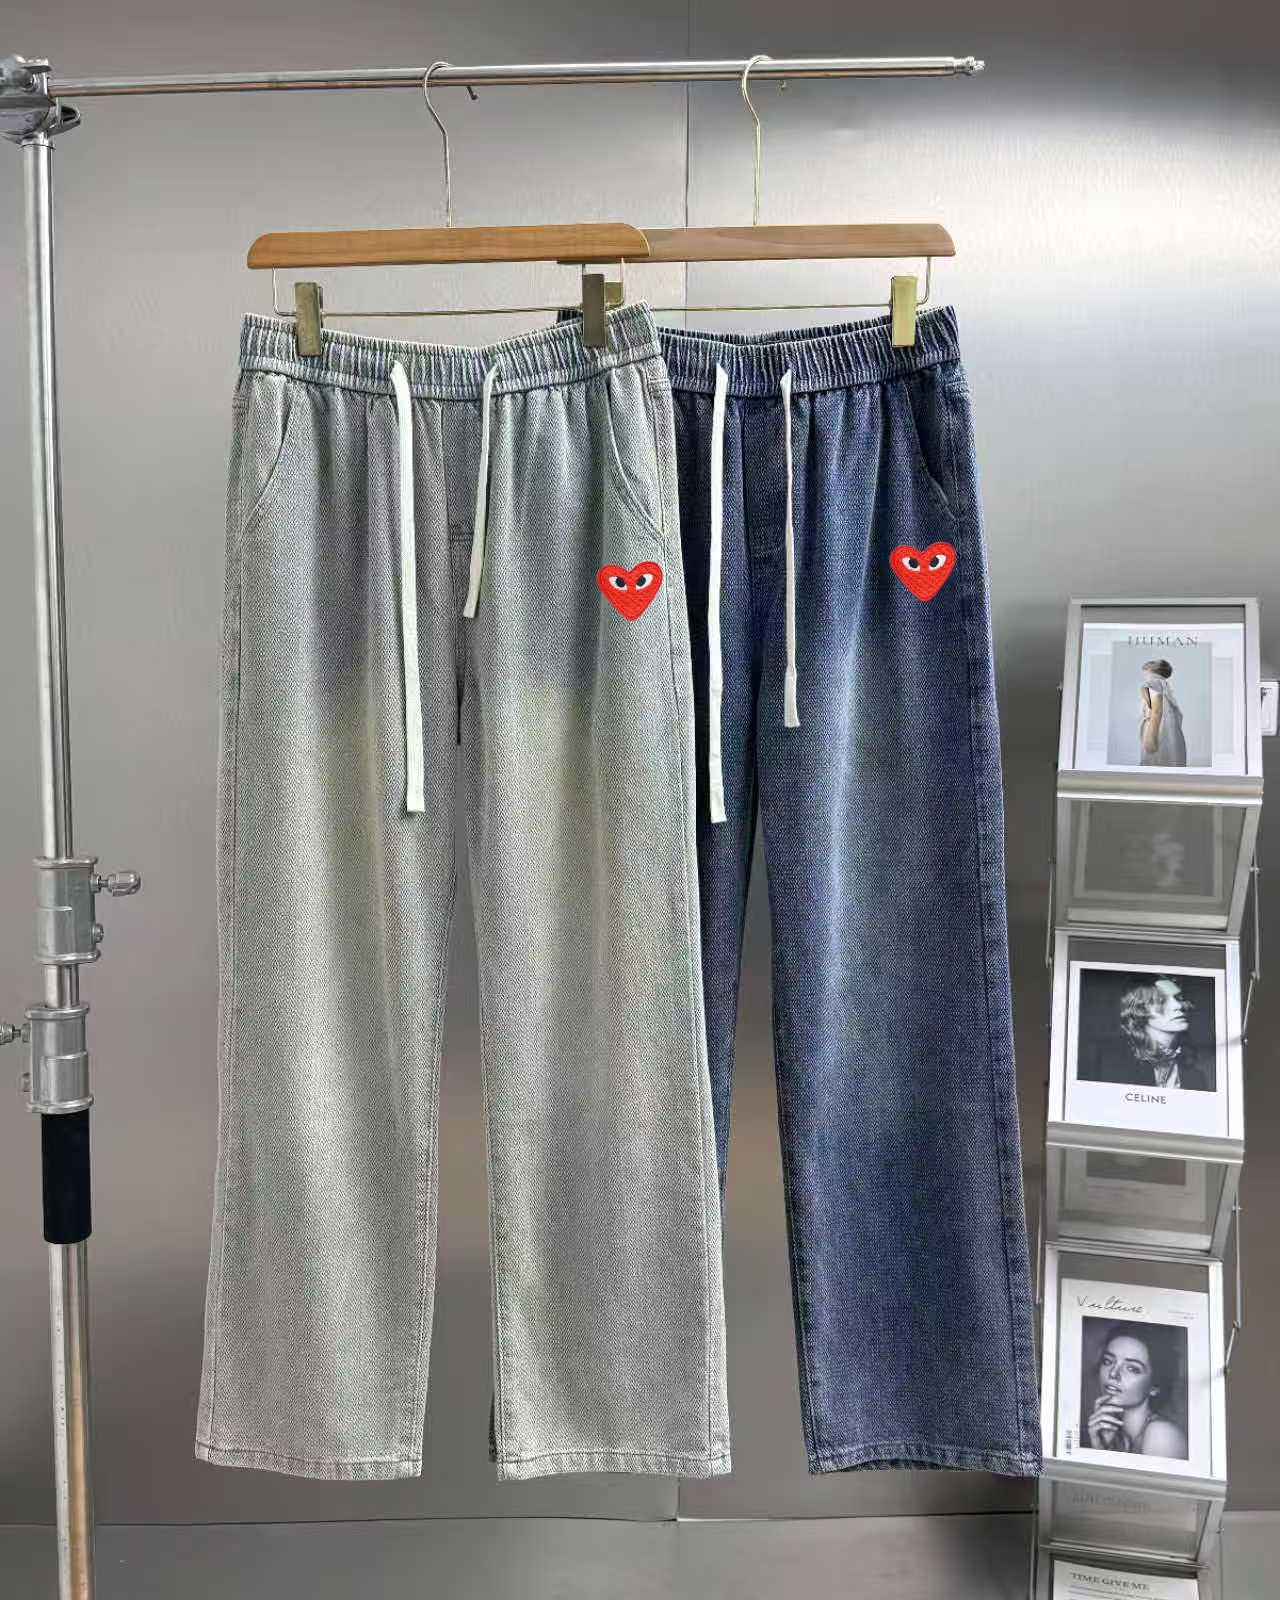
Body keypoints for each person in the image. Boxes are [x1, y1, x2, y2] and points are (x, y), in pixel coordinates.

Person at [1080, 974, 1214, 1091]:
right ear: (1139, 1010)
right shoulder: (1109, 1061)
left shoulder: (1197, 1077)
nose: (1178, 1006)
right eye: (1161, 1001)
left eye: (1179, 998)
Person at [1085, 1323, 1188, 1459]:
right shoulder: (1111, 1434)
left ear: (1154, 1386)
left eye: (1132, 1369)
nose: (1113, 1373)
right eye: (1108, 1361)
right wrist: (1101, 1449)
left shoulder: (1161, 1434)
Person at [1139, 658, 1188, 766]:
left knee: (1155, 760)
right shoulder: (1164, 685)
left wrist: (1151, 738)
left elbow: (1156, 710)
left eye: (1153, 662)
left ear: (1153, 669)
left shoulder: (1152, 683)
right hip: (1167, 729)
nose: (1150, 662)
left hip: (1155, 729)